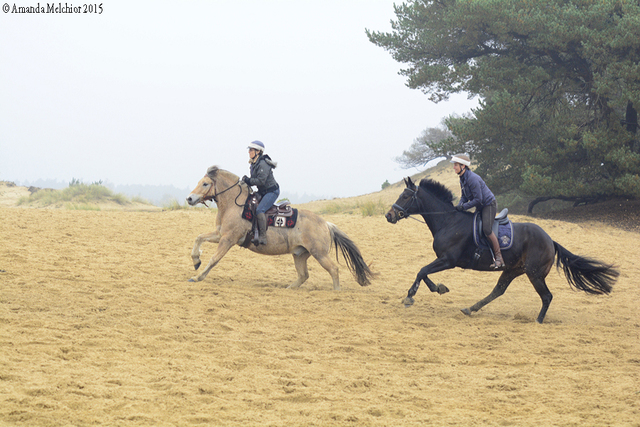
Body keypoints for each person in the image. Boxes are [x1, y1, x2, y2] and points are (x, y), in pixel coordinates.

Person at [451, 154, 505, 269]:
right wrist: (459, 207)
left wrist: (464, 207)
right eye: (454, 165)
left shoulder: (472, 179)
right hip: (480, 206)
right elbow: (464, 197)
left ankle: (499, 258)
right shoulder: (462, 178)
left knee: (486, 229)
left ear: (463, 166)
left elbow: (478, 199)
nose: (454, 167)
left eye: (456, 165)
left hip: (488, 205)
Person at [241, 141, 280, 246]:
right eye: (249, 150)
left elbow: (260, 181)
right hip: (263, 191)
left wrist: (248, 180)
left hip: (272, 191)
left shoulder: (263, 163)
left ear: (258, 151)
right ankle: (254, 232)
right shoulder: (253, 163)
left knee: (260, 209)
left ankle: (263, 236)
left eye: (251, 150)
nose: (249, 152)